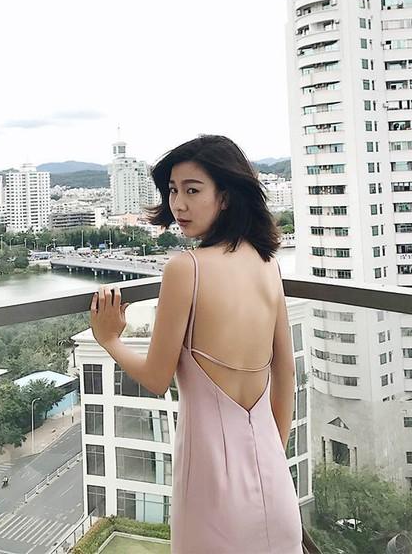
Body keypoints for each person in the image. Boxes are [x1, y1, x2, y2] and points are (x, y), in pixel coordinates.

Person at [90, 135, 303, 553]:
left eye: (192, 190)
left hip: (210, 488)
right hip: (273, 480)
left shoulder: (185, 269)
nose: (178, 205)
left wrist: (109, 339)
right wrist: (271, 460)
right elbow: (286, 376)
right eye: (173, 190)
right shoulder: (267, 264)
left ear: (225, 196)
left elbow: (156, 377)